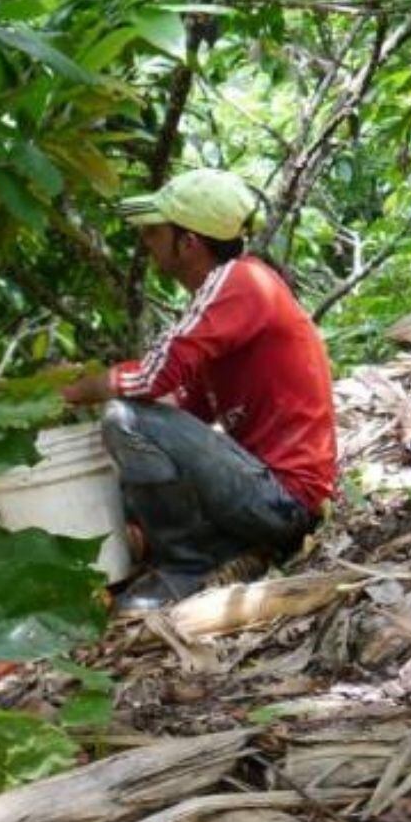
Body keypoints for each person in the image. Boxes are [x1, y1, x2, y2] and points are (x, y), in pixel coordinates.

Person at [61, 168, 337, 612]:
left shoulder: (240, 282)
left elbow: (155, 378)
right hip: (267, 494)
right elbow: (181, 406)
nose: (146, 244)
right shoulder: (233, 290)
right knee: (133, 420)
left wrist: (71, 391)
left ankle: (189, 567)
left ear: (188, 243)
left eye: (154, 232)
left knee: (123, 418)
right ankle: (196, 550)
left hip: (284, 500)